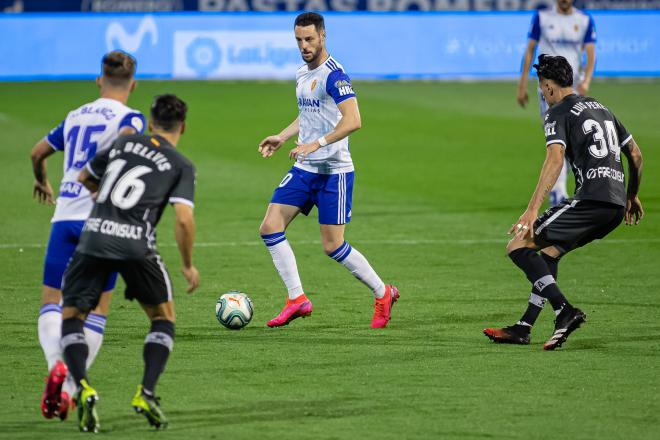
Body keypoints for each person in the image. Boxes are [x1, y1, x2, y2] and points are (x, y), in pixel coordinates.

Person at [59, 94, 199, 432]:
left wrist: (101, 198)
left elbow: (85, 178)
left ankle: (83, 386)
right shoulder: (181, 164)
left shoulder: (124, 143)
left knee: (72, 316)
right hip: (137, 246)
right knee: (163, 318)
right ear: (183, 127)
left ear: (150, 122)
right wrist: (187, 265)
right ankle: (146, 392)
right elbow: (183, 220)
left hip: (93, 238)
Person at [485, 55, 643, 350]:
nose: (543, 95)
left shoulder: (557, 112)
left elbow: (555, 159)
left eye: (542, 89)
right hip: (616, 207)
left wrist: (532, 209)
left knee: (518, 245)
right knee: (547, 256)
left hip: (591, 201)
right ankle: (524, 327)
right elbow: (635, 155)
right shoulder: (602, 108)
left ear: (548, 87)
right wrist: (632, 194)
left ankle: (565, 311)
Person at [257, 12, 398, 329]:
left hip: (334, 172)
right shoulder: (302, 74)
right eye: (299, 40)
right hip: (305, 168)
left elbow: (353, 121)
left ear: (322, 36)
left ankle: (383, 292)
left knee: (333, 246)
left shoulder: (335, 75)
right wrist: (283, 136)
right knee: (269, 227)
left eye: (309, 39)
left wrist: (316, 144)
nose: (304, 46)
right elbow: (309, 114)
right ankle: (297, 299)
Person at [31, 50, 145, 420]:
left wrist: (41, 179)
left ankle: (55, 366)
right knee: (97, 309)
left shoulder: (74, 116)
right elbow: (127, 139)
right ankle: (67, 389)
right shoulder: (132, 118)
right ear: (133, 84)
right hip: (103, 225)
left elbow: (37, 152)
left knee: (53, 301)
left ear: (99, 80)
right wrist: (100, 173)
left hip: (64, 218)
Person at [517, 0, 597, 206]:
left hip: (574, 89)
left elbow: (591, 54)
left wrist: (586, 81)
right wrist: (522, 84)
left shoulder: (584, 20)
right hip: (549, 89)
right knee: (557, 138)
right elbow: (529, 50)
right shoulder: (542, 18)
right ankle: (558, 191)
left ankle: (564, 187)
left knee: (573, 138)